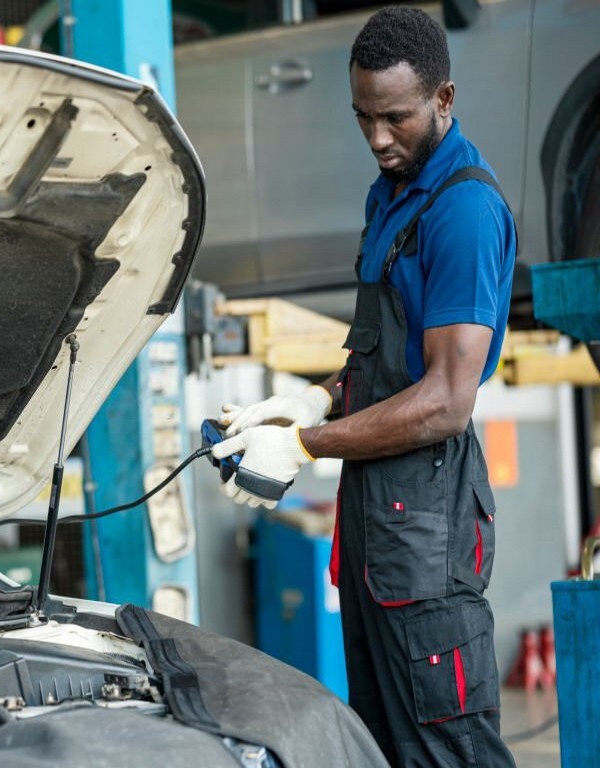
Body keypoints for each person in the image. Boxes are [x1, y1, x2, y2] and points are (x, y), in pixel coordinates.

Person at [211, 6, 518, 767]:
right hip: (377, 527)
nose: (378, 138)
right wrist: (311, 398)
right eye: (363, 117)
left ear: (444, 99)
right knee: (381, 747)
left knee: (449, 752)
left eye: (396, 118)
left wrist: (305, 444)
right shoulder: (391, 195)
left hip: (429, 530)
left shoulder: (465, 211)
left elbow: (446, 400)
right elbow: (385, 363)